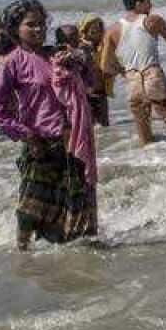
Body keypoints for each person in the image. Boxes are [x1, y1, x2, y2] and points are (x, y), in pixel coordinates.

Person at [0, 0, 96, 249]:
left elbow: (90, 82)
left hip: (73, 142)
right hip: (40, 144)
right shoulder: (11, 63)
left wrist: (81, 60)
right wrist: (26, 136)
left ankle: (81, 260)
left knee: (77, 207)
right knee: (30, 211)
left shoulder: (57, 55)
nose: (38, 29)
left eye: (41, 24)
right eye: (30, 25)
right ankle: (23, 256)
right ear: (15, 29)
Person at [104, 0, 166, 146]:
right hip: (154, 78)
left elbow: (106, 65)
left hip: (133, 83)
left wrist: (125, 72)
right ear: (138, 4)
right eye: (148, 1)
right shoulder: (152, 21)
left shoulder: (112, 30)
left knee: (145, 139)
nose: (151, 5)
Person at [52, 24, 99, 223]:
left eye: (75, 37)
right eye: (69, 38)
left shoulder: (79, 58)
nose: (73, 41)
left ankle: (84, 218)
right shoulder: (59, 57)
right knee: (73, 167)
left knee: (80, 165)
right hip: (66, 120)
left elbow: (93, 81)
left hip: (79, 115)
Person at [77, 16, 112, 127]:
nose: (97, 32)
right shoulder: (82, 48)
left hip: (101, 92)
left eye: (99, 29)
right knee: (89, 125)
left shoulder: (102, 47)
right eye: (93, 30)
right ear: (84, 31)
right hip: (87, 94)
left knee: (104, 124)